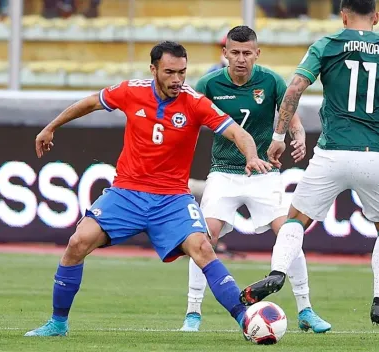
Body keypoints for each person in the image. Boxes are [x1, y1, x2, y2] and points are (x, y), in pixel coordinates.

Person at [24, 41, 272, 338]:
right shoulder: (132, 91)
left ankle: (248, 321)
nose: (177, 80)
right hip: (127, 192)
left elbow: (238, 132)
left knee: (203, 248)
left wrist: (252, 155)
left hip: (172, 198)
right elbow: (91, 102)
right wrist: (51, 127)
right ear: (153, 69)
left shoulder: (195, 102)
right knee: (78, 242)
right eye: (169, 72)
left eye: (182, 72)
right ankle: (57, 323)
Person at [240, 0, 379, 339]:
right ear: (377, 17)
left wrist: (279, 136)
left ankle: (278, 273)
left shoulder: (327, 44)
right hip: (377, 153)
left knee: (296, 220)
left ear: (343, 15)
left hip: (333, 151)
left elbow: (294, 88)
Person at [180, 26, 331, 334]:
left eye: (247, 53)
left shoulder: (272, 80)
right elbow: (187, 121)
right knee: (204, 238)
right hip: (224, 171)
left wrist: (298, 136)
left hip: (264, 173)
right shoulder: (208, 83)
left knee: (289, 234)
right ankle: (193, 312)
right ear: (224, 54)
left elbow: (290, 115)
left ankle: (305, 309)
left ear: (257, 54)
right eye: (234, 53)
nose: (241, 59)